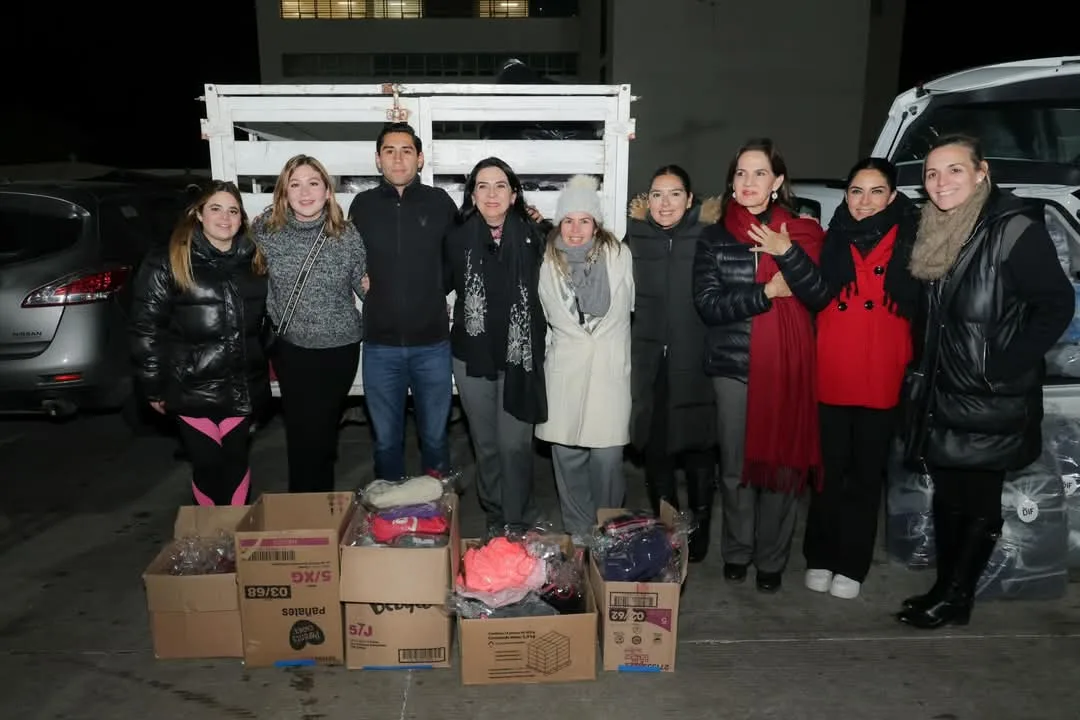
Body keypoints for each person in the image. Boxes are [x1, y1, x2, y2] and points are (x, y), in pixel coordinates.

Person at [898, 134, 1074, 629]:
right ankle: (945, 589)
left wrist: (1001, 363)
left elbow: (1056, 304)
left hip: (989, 396)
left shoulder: (1013, 228)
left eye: (954, 170)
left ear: (981, 172)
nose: (940, 182)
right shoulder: (936, 227)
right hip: (943, 392)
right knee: (949, 496)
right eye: (931, 173)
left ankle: (956, 596)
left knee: (975, 500)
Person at [692, 138, 830, 592]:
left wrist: (784, 250)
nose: (748, 182)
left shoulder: (803, 232)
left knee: (782, 469)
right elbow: (709, 304)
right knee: (735, 471)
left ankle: (771, 559)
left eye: (759, 173)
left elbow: (819, 295)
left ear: (778, 182)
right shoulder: (714, 235)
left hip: (787, 369)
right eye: (741, 174)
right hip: (733, 368)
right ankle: (737, 551)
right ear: (731, 182)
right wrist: (764, 294)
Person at [802, 157, 920, 599]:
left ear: (892, 196)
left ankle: (852, 562)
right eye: (856, 191)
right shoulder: (832, 238)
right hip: (832, 368)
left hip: (882, 371)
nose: (864, 202)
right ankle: (820, 555)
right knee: (828, 474)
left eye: (875, 192)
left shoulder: (912, 238)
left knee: (866, 477)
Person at [131, 181, 270, 506]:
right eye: (216, 209)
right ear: (199, 215)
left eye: (233, 211)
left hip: (241, 388)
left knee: (236, 464)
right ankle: (211, 542)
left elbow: (265, 323)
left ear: (241, 219)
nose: (225, 218)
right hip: (191, 389)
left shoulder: (255, 262)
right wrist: (153, 386)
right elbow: (146, 328)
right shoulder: (168, 260)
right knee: (208, 466)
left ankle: (234, 540)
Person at [348, 122, 458, 480]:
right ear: (378, 160)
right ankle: (388, 518)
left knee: (436, 441)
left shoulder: (440, 203)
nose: (398, 158)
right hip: (380, 347)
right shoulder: (361, 206)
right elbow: (347, 259)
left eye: (406, 150)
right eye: (390, 151)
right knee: (385, 443)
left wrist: (432, 292)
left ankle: (438, 519)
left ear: (420, 158)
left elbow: (457, 260)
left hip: (433, 346)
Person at [252, 154, 366, 493]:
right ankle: (307, 510)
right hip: (292, 350)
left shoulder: (346, 235)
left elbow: (363, 284)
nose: (305, 192)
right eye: (295, 184)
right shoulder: (265, 232)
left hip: (339, 350)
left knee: (322, 432)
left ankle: (318, 511)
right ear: (284, 193)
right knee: (303, 434)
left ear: (328, 192)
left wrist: (378, 288)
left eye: (313, 183)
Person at [446, 157, 550, 531]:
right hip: (472, 357)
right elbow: (436, 283)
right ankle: (494, 512)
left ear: (514, 193)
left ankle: (518, 513)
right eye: (483, 186)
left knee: (515, 445)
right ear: (472, 195)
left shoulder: (537, 235)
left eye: (500, 185)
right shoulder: (456, 237)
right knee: (486, 445)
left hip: (520, 356)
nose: (492, 194)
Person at [626, 164, 720, 561]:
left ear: (689, 198)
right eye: (657, 195)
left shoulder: (707, 235)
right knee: (656, 448)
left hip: (695, 357)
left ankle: (700, 527)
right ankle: (668, 525)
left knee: (699, 447)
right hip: (649, 359)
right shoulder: (636, 236)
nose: (665, 204)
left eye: (674, 194)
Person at [536, 175, 635, 539]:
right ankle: (578, 537)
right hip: (565, 375)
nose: (576, 230)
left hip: (609, 375)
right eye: (568, 220)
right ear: (558, 223)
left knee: (608, 462)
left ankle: (611, 532)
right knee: (568, 461)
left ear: (596, 224)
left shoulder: (619, 256)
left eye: (584, 220)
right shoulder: (546, 262)